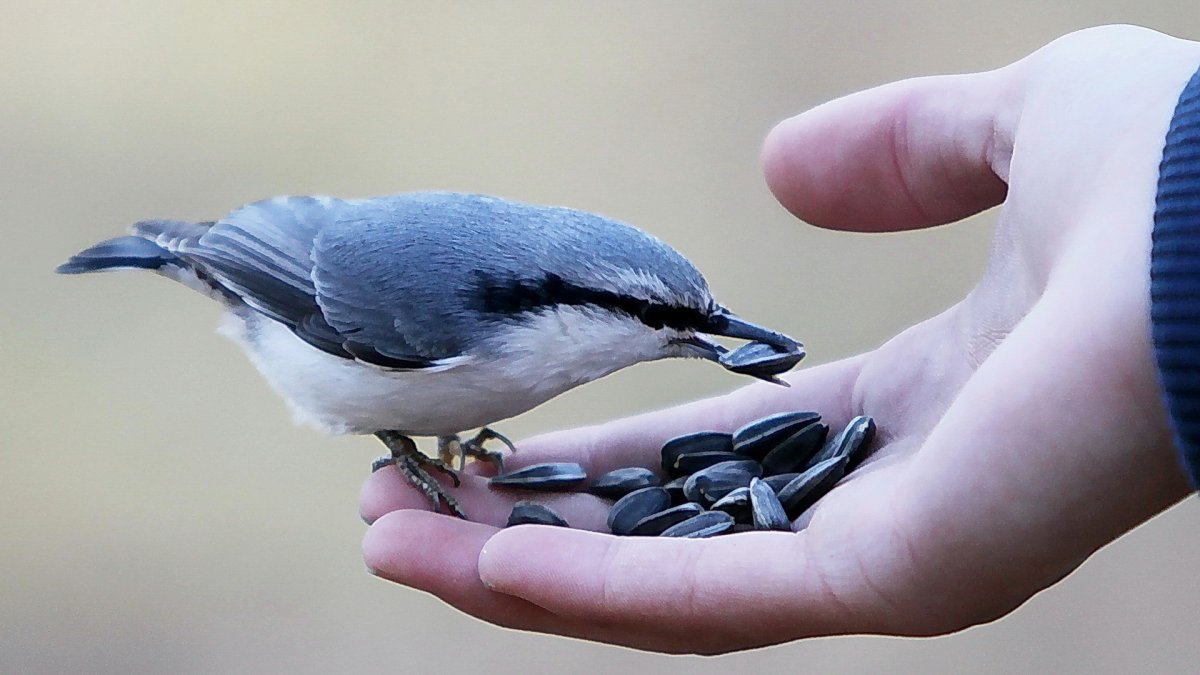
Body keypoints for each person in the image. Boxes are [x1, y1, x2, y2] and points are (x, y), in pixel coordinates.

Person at [358, 25, 1200, 654]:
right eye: (661, 320)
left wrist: (1162, 240)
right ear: (566, 302)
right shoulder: (448, 312)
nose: (711, 341)